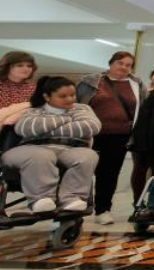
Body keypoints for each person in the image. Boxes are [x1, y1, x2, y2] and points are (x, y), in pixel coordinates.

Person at [2, 76, 100, 214]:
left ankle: (71, 198)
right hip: (28, 149)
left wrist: (48, 128)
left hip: (69, 149)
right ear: (47, 97)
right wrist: (65, 119)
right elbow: (26, 128)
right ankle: (40, 199)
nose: (70, 99)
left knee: (88, 155)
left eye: (72, 95)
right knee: (43, 155)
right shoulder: (34, 110)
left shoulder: (82, 109)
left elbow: (91, 127)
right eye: (63, 96)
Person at [76, 51, 147, 224]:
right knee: (81, 171)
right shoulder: (92, 81)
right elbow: (77, 104)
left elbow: (143, 108)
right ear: (111, 63)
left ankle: (103, 209)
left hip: (119, 137)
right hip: (91, 135)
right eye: (120, 63)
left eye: (128, 65)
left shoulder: (136, 84)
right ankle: (75, 206)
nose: (123, 67)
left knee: (109, 174)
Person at [129, 67, 154, 203]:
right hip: (141, 134)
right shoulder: (141, 93)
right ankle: (138, 201)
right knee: (140, 168)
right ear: (151, 77)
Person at [0, 51, 38, 129]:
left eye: (29, 66)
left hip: (25, 128)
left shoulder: (33, 89)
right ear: (7, 67)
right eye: (20, 65)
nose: (26, 69)